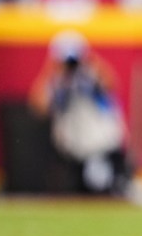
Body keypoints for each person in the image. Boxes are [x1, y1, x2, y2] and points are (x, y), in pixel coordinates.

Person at [28, 30, 130, 196]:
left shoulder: (91, 76)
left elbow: (112, 84)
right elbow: (38, 106)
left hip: (101, 149)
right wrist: (52, 72)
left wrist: (90, 63)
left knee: (102, 192)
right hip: (72, 154)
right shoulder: (56, 81)